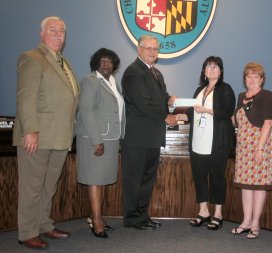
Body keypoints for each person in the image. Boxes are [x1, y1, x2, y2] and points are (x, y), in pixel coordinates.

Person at [12, 16, 79, 249]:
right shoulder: (31, 58)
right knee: (32, 187)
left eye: (62, 31)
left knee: (48, 186)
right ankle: (26, 232)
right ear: (42, 34)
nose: (58, 34)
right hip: (37, 136)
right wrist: (30, 130)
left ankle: (44, 224)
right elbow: (26, 99)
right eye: (53, 30)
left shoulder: (64, 62)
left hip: (60, 137)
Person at [121, 34, 177, 230]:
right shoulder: (132, 73)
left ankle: (142, 216)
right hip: (137, 138)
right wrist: (166, 117)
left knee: (146, 180)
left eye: (155, 49)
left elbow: (159, 96)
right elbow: (144, 102)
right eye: (149, 48)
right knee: (134, 180)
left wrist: (169, 99)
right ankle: (132, 218)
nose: (153, 52)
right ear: (139, 49)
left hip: (152, 137)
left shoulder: (156, 73)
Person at [75, 48, 125, 238]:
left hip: (111, 139)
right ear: (96, 63)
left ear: (115, 65)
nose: (106, 64)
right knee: (95, 179)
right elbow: (86, 111)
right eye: (102, 61)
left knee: (102, 178)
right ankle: (96, 221)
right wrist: (97, 140)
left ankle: (96, 217)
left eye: (109, 61)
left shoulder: (113, 83)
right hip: (94, 139)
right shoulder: (91, 81)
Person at [183, 56, 235, 230]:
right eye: (208, 66)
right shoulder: (200, 89)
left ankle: (218, 213)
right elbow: (192, 113)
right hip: (197, 142)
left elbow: (227, 112)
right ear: (204, 71)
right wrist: (180, 115)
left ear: (220, 71)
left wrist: (206, 110)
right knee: (199, 177)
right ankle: (203, 211)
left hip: (217, 143)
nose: (212, 69)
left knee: (217, 178)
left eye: (215, 67)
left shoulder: (225, 89)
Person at [231, 62, 272, 239]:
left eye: (255, 76)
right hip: (243, 147)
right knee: (246, 186)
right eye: (248, 76)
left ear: (262, 79)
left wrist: (259, 148)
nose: (251, 79)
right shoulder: (241, 95)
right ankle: (246, 221)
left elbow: (268, 122)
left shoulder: (266, 96)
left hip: (260, 144)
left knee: (258, 186)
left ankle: (255, 223)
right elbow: (236, 121)